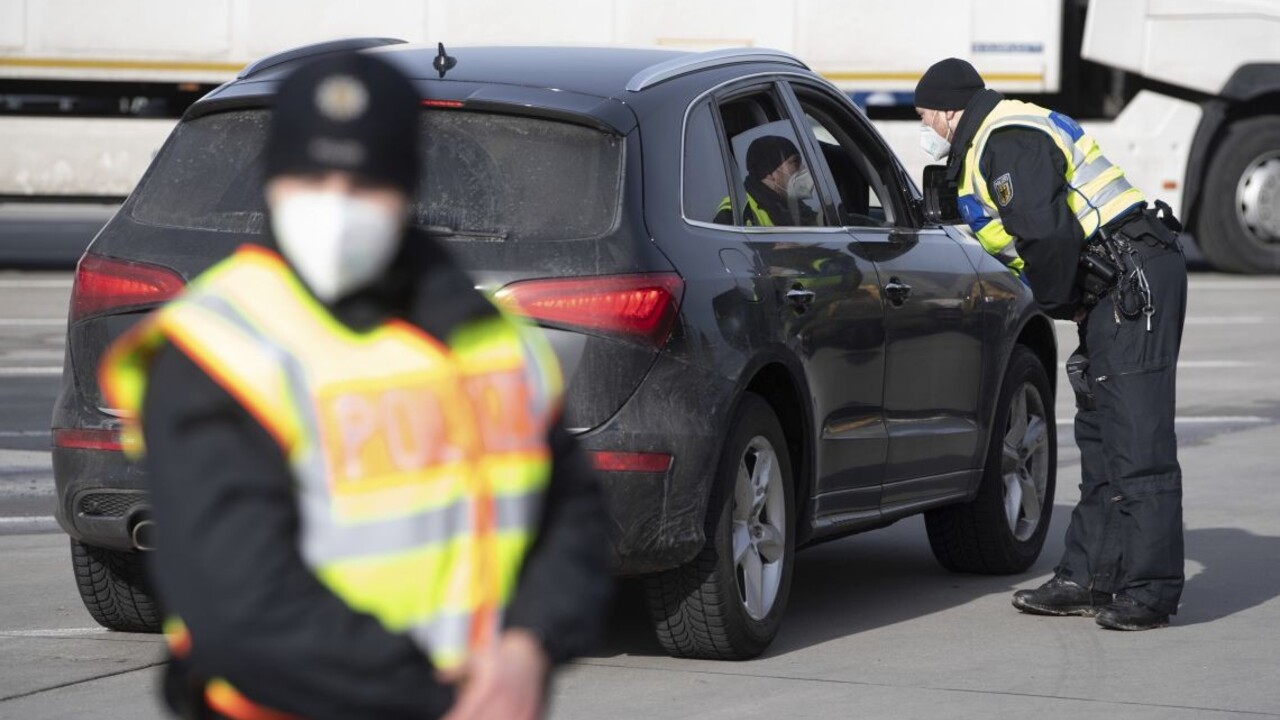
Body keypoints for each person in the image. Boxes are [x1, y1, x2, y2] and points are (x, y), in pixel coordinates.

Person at [100, 52, 612, 719]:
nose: (334, 206)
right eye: (309, 176)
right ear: (273, 183)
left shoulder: (489, 339)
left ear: (407, 189)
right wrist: (443, 700)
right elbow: (244, 612)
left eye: (363, 182)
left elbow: (573, 514)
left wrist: (527, 646)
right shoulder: (222, 349)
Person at [914, 58, 1187, 631]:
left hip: (1128, 278)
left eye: (924, 117)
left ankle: (1151, 590)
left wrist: (1061, 303)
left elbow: (1047, 234)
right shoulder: (990, 139)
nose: (926, 128)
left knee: (1136, 438)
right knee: (1101, 434)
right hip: (1112, 282)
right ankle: (1090, 577)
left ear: (945, 109)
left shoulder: (1004, 139)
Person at [714, 135, 818, 227]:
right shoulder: (736, 212)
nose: (803, 168)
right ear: (770, 173)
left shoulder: (795, 206)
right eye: (795, 163)